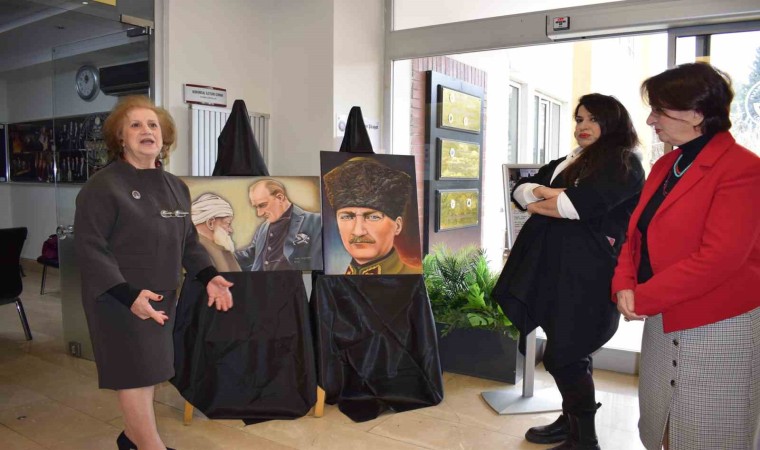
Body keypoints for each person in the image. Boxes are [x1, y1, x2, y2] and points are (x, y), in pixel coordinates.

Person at [612, 63, 760, 450]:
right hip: (664, 317)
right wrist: (624, 283)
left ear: (696, 114)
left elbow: (720, 259)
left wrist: (643, 297)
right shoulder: (666, 164)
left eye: (659, 111)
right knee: (661, 426)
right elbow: (635, 234)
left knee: (708, 434)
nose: (650, 120)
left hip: (719, 325)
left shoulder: (743, 169)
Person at [75, 95, 234, 450]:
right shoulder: (103, 186)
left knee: (147, 371)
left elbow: (188, 241)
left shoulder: (175, 187)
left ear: (164, 137)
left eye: (153, 125)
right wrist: (128, 295)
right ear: (120, 137)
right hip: (119, 298)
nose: (146, 131)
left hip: (161, 297)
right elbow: (90, 248)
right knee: (133, 373)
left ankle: (132, 439)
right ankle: (150, 446)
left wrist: (209, 275)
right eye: (135, 125)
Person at [493, 93, 645, 450]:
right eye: (579, 119)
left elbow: (574, 207)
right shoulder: (570, 160)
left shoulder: (623, 163)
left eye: (593, 119)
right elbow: (519, 191)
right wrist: (546, 194)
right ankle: (571, 422)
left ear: (613, 123)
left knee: (566, 353)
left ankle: (584, 440)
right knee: (569, 347)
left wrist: (547, 200)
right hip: (553, 271)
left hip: (588, 276)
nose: (583, 126)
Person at [323, 156, 420, 275]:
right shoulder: (332, 283)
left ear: (398, 226)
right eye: (347, 217)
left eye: (373, 217)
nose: (358, 232)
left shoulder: (416, 280)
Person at [235, 178, 322, 271]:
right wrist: (225, 255)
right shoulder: (263, 227)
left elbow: (317, 265)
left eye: (262, 205)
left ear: (280, 198)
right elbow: (252, 254)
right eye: (256, 207)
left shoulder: (316, 221)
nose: (259, 213)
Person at [191, 192, 242, 272]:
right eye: (228, 223)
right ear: (210, 223)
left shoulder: (220, 248)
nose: (231, 230)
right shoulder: (194, 251)